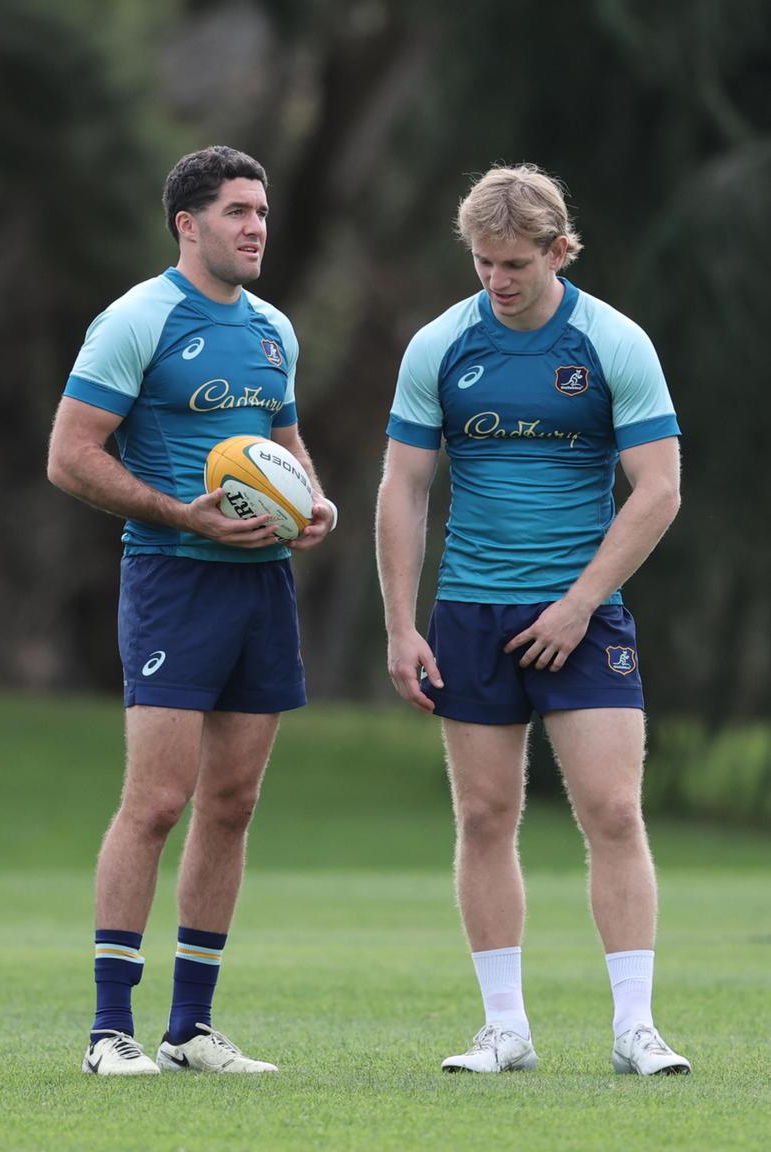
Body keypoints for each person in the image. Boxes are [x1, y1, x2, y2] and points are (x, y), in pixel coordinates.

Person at [375, 163, 690, 1077]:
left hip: (583, 613)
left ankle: (636, 1027)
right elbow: (404, 484)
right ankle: (503, 1028)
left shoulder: (611, 342)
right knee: (483, 815)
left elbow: (659, 490)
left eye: (515, 263)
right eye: (482, 263)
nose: (497, 280)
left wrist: (579, 603)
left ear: (560, 250)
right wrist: (402, 624)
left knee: (613, 810)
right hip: (471, 612)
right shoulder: (441, 344)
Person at [47, 145, 336, 1077]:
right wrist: (181, 513)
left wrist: (312, 502)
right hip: (172, 580)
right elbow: (71, 455)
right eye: (237, 211)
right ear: (189, 222)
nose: (257, 226)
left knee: (234, 803)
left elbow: (281, 441)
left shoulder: (272, 331)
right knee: (157, 803)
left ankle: (190, 1031)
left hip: (260, 587)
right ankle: (107, 1033)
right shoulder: (138, 320)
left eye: (262, 210)